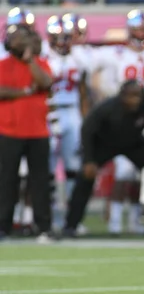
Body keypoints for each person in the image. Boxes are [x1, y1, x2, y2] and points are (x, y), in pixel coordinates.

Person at [90, 9, 144, 235]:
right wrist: (104, 96)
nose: (141, 33)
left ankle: (135, 219)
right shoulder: (116, 54)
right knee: (124, 173)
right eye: (137, 29)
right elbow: (93, 75)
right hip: (124, 119)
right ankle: (116, 220)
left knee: (140, 173)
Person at [63, 80, 144, 237]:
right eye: (130, 97)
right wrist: (89, 160)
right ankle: (71, 225)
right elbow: (87, 130)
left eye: (138, 96)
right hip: (105, 144)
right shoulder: (107, 108)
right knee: (84, 178)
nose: (135, 101)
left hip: (134, 144)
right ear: (122, 96)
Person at [0, 25, 54, 241]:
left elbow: (46, 83)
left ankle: (43, 226)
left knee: (40, 181)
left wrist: (30, 60)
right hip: (9, 129)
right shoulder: (3, 65)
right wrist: (24, 91)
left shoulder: (40, 64)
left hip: (38, 131)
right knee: (7, 180)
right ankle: (4, 225)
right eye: (16, 39)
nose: (19, 43)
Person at [45, 15, 90, 231]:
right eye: (58, 37)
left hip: (71, 110)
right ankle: (52, 216)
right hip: (49, 111)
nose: (62, 42)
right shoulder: (43, 55)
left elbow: (83, 90)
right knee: (49, 167)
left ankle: (73, 218)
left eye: (66, 37)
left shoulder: (79, 57)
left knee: (73, 165)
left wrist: (85, 119)